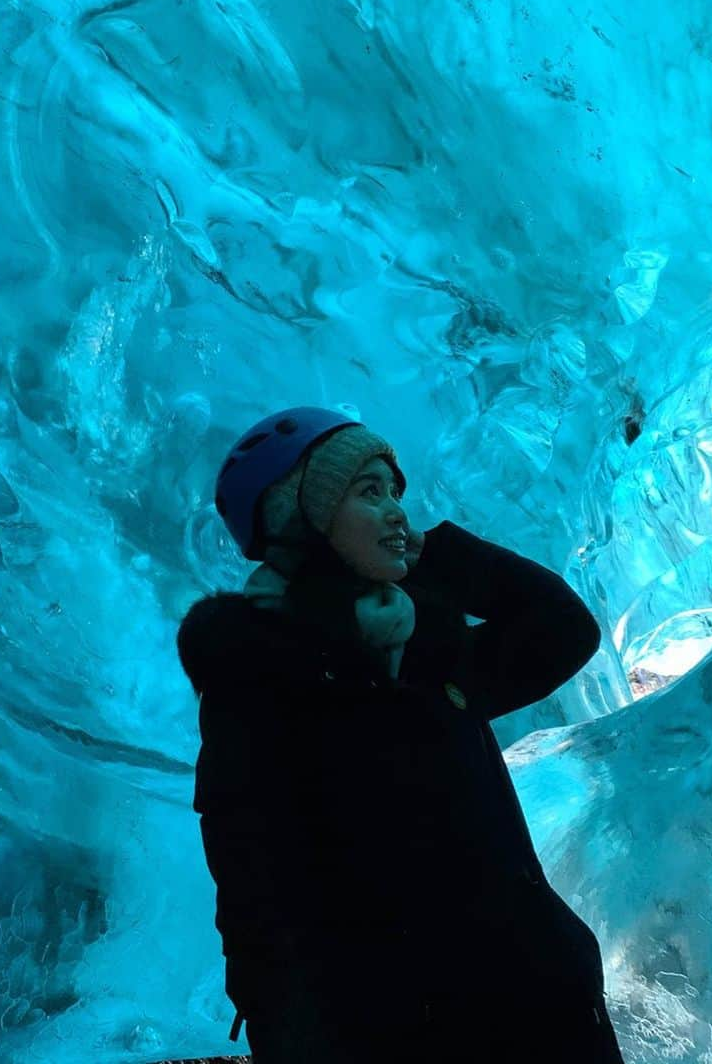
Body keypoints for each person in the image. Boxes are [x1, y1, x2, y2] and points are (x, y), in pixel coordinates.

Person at [176, 406, 625, 1063]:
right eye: (367, 492)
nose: (395, 512)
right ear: (298, 519)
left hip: (547, 1005)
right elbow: (255, 895)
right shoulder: (260, 680)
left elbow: (564, 627)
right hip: (412, 1032)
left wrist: (440, 558)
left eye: (394, 491)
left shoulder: (429, 651)